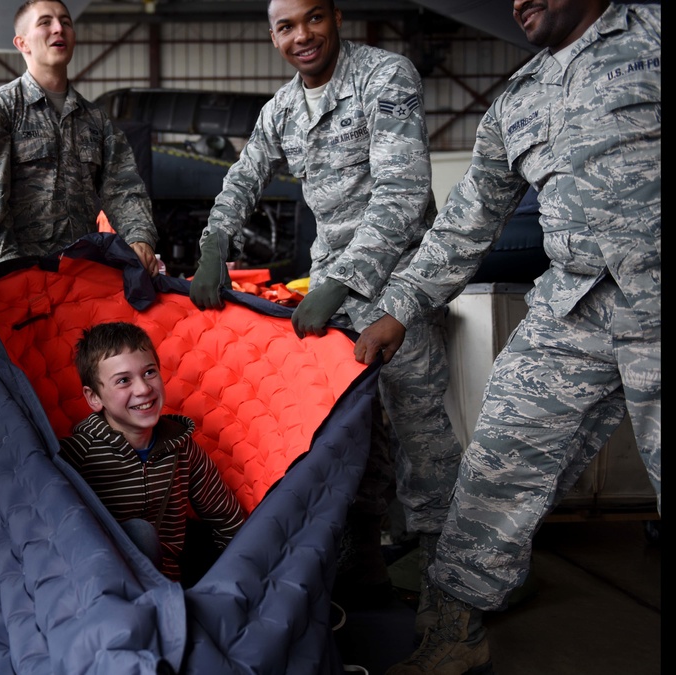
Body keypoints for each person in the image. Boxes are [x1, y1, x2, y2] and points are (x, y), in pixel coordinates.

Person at [353, 2, 660, 673]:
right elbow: (466, 221)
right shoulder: (514, 104)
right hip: (572, 309)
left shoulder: (651, 35)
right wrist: (400, 307)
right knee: (494, 466)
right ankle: (455, 631)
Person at [190, 0, 464, 616]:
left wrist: (341, 282)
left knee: (423, 442)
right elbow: (242, 178)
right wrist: (213, 245)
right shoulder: (282, 109)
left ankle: (450, 601)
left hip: (398, 290)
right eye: (286, 27)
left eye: (312, 19)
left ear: (335, 18)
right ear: (273, 36)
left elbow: (402, 191)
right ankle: (362, 571)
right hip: (332, 299)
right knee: (347, 436)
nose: (302, 36)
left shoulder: (385, 77)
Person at [0, 0, 160, 276]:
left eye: (66, 22)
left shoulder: (96, 120)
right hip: (18, 280)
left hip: (82, 277)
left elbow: (124, 189)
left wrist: (139, 238)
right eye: (45, 22)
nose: (59, 28)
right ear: (22, 43)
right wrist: (13, 275)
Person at [57, 322, 246, 582]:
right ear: (94, 398)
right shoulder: (75, 456)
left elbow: (227, 520)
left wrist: (238, 578)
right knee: (139, 533)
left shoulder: (183, 447)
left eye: (149, 373)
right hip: (103, 586)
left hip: (170, 585)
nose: (143, 389)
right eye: (123, 380)